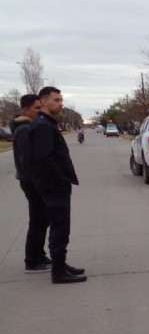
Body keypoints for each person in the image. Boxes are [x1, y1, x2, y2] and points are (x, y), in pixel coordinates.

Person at [28, 87, 86, 283]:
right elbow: (43, 158)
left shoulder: (46, 123)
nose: (60, 103)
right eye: (56, 100)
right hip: (53, 186)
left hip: (54, 184)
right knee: (60, 228)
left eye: (61, 100)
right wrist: (59, 180)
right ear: (43, 102)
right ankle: (59, 272)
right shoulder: (43, 125)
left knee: (60, 226)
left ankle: (61, 264)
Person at [11, 94, 51, 273]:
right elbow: (28, 161)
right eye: (36, 108)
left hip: (33, 180)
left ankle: (39, 255)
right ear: (25, 108)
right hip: (31, 181)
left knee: (43, 219)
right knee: (38, 220)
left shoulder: (28, 127)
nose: (39, 111)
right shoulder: (23, 130)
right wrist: (40, 180)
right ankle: (32, 260)